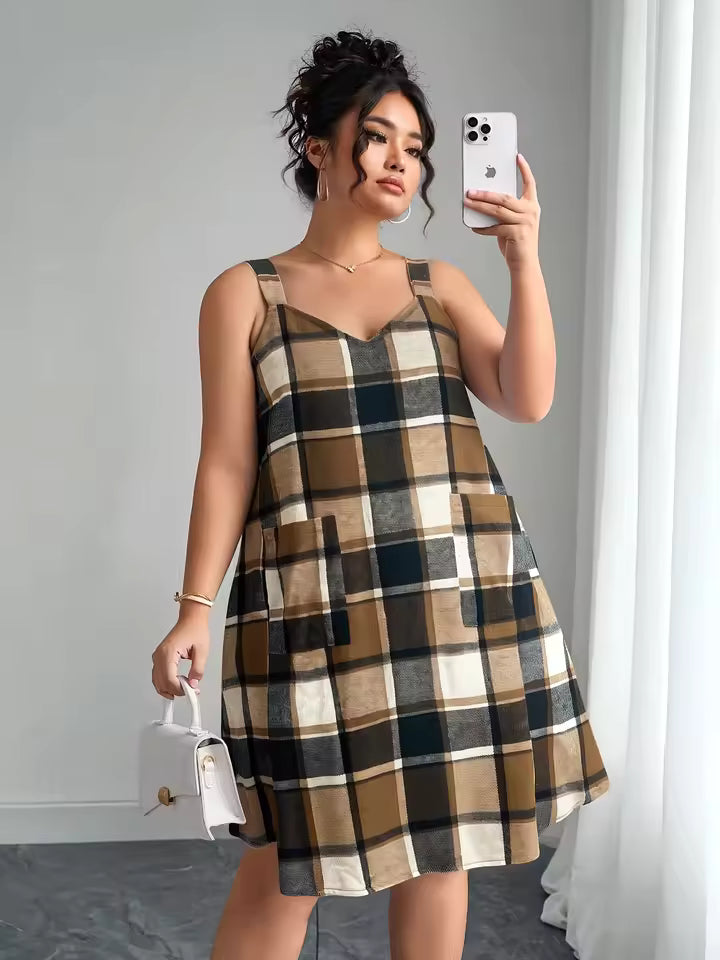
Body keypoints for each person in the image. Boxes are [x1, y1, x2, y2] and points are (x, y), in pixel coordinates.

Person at [151, 28, 610, 960]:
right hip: (313, 611)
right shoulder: (245, 294)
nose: (404, 162)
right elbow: (227, 463)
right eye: (378, 139)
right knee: (288, 860)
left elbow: (527, 397)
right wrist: (193, 606)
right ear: (318, 148)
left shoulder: (440, 284)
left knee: (444, 851)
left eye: (417, 147)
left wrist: (524, 260)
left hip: (452, 599)